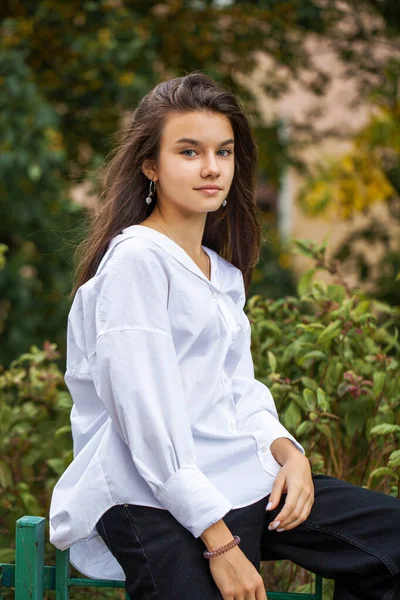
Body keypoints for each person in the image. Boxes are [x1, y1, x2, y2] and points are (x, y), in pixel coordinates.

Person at [49, 72, 400, 600]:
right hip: (149, 493)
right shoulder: (137, 261)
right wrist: (220, 543)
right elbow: (145, 420)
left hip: (237, 475)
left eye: (224, 151)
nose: (212, 167)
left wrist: (292, 456)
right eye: (189, 151)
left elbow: (238, 394)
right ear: (151, 164)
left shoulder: (222, 273)